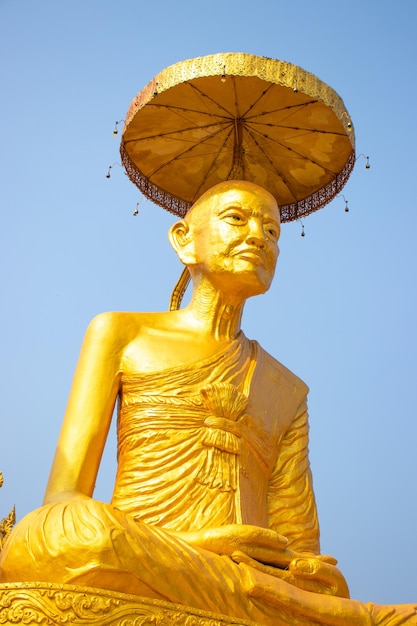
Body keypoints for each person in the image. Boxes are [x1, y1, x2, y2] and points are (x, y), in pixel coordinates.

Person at [0, 181, 416, 625]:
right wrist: (203, 543)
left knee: (321, 588)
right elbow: (63, 495)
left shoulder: (286, 389)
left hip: (242, 572)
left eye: (272, 231)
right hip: (133, 548)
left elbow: (298, 551)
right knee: (50, 534)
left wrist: (305, 572)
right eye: (237, 218)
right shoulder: (120, 333)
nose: (258, 235)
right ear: (184, 240)